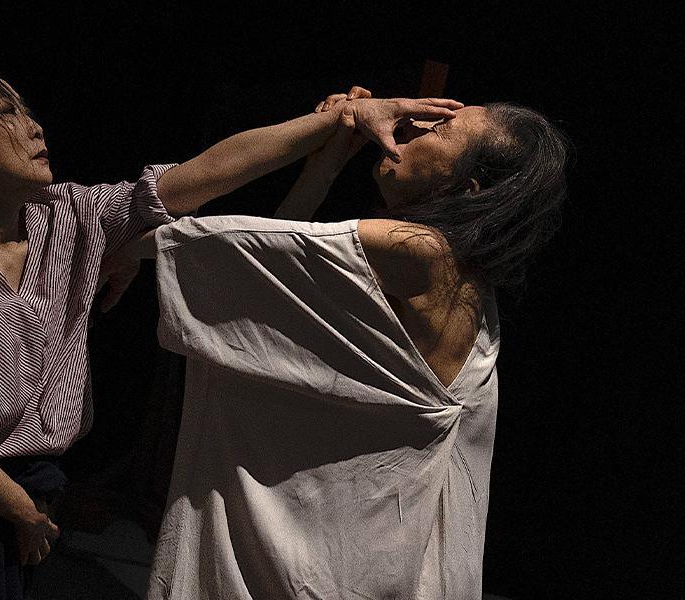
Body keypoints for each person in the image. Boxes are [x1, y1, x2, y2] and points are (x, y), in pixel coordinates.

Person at [0, 63, 462, 599]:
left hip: (20, 500)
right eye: (3, 112)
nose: (33, 125)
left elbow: (205, 174)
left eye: (25, 108)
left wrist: (337, 121)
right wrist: (25, 514)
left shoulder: (68, 217)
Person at [110, 88, 568, 599]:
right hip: (372, 567)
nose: (413, 128)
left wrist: (326, 127)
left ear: (470, 188)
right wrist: (323, 170)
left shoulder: (417, 251)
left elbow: (193, 243)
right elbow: (268, 270)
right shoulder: (471, 285)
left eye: (439, 130)